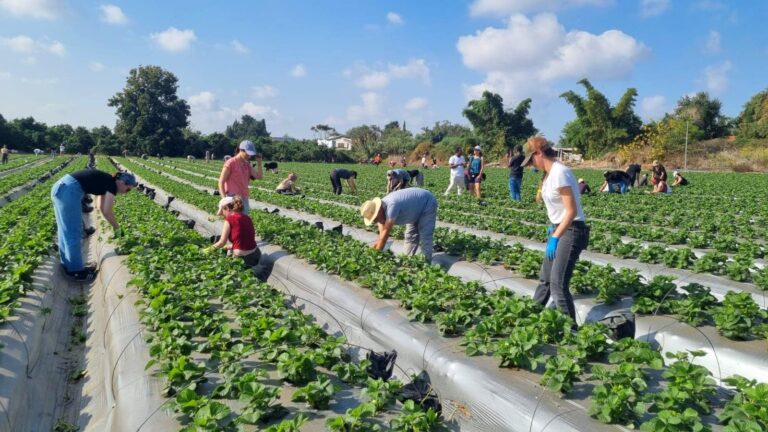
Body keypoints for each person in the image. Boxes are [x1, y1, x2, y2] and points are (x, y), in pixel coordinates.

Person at [522, 136, 589, 323]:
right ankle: (529, 318)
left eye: (531, 160)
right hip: (558, 228)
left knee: (558, 284)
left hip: (571, 230)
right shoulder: (549, 174)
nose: (531, 166)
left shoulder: (560, 173)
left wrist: (555, 237)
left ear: (539, 153)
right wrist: (553, 227)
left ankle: (571, 331)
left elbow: (571, 211)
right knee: (545, 281)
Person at [51, 170, 137, 281]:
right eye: (128, 189)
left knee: (65, 230)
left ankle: (69, 265)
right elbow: (107, 211)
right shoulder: (111, 185)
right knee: (73, 232)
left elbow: (100, 207)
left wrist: (115, 225)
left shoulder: (108, 181)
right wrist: (117, 227)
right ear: (122, 183)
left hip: (61, 188)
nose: (126, 192)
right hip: (69, 191)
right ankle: (76, 272)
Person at [360, 188, 438, 262]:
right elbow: (381, 235)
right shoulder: (381, 211)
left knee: (425, 236)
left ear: (379, 211)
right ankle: (407, 260)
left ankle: (426, 263)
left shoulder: (391, 206)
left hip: (427, 203)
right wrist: (375, 247)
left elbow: (385, 234)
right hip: (413, 209)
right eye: (374, 220)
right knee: (410, 236)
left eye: (375, 219)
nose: (376, 221)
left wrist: (376, 255)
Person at [206, 196, 261, 267]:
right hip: (256, 254)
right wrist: (228, 247)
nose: (222, 214)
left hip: (243, 259)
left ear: (227, 208)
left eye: (222, 211)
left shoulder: (230, 219)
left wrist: (207, 250)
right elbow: (243, 240)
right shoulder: (247, 217)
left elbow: (222, 242)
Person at [218, 140, 263, 215]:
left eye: (250, 154)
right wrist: (224, 199)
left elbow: (259, 177)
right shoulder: (231, 163)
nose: (249, 156)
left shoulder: (247, 164)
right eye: (247, 153)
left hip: (244, 197)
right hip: (233, 197)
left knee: (242, 222)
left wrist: (259, 163)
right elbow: (221, 182)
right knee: (234, 222)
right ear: (241, 150)